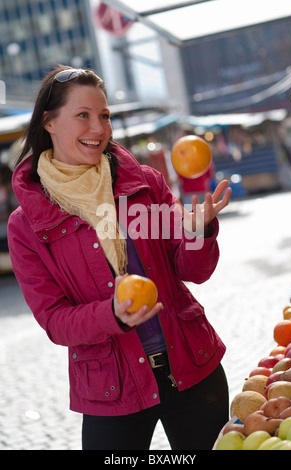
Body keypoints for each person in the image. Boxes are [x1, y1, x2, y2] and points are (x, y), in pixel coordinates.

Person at [7, 65, 232, 451]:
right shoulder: (26, 224)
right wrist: (112, 315)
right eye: (83, 115)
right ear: (48, 122)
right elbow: (55, 322)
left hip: (192, 368)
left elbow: (193, 271)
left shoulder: (143, 183)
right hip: (112, 389)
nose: (99, 128)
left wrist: (198, 232)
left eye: (104, 115)